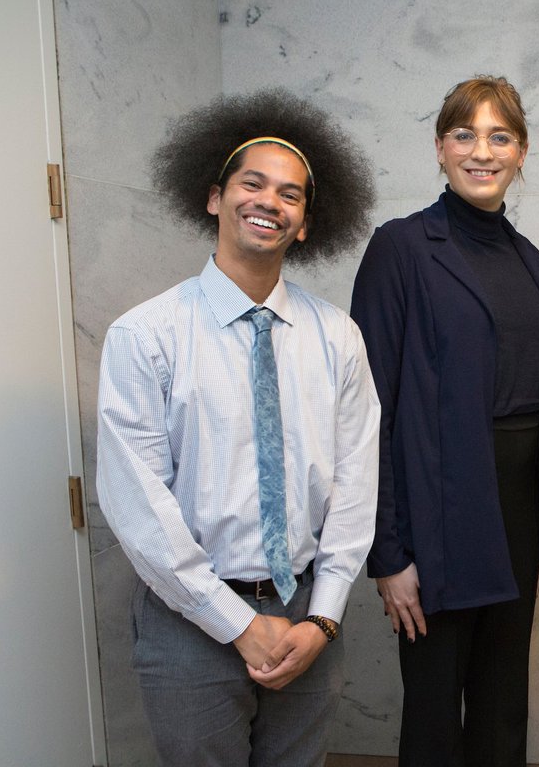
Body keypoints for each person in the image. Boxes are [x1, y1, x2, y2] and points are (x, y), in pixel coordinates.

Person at [96, 88, 380, 766]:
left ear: (307, 223)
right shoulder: (146, 335)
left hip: (308, 612)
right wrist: (235, 624)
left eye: (290, 194)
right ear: (215, 198)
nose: (269, 202)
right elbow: (138, 502)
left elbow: (356, 484)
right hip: (188, 621)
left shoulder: (338, 337)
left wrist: (324, 617)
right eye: (252, 183)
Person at [349, 75, 539, 767]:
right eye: (465, 134)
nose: (483, 151)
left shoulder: (528, 259)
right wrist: (389, 554)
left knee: (504, 704)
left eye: (500, 136)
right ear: (441, 148)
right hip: (438, 519)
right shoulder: (402, 249)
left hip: (516, 519)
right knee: (434, 716)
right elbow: (366, 416)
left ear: (523, 151)